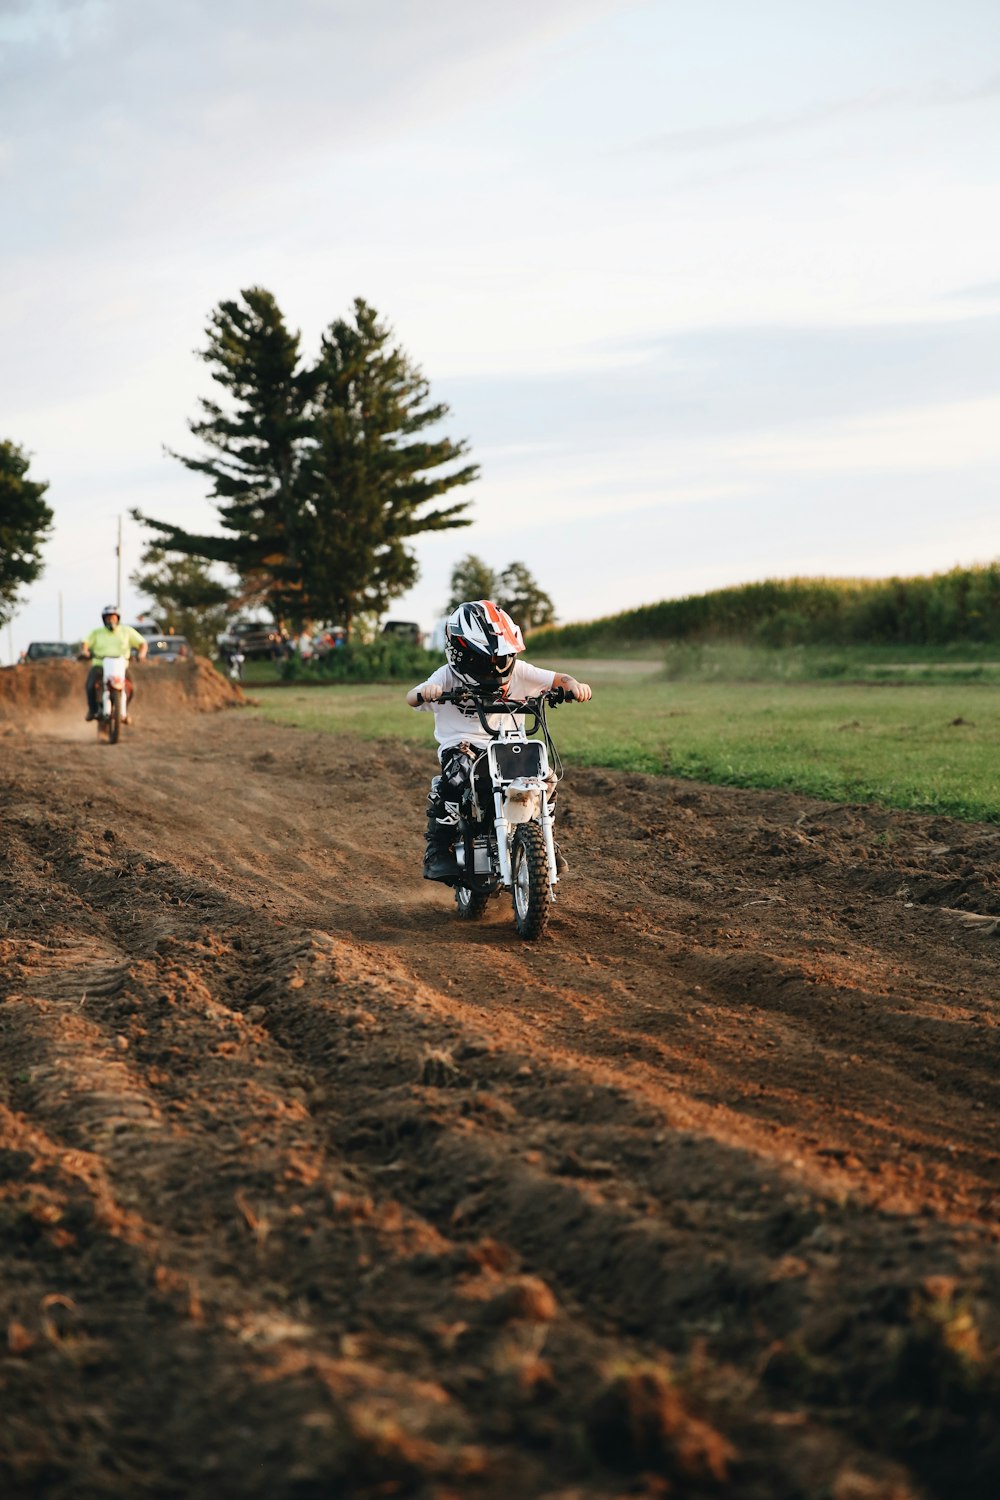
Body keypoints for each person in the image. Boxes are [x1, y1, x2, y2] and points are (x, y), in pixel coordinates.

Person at [406, 599, 592, 882]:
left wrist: (573, 687)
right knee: (456, 779)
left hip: (507, 744)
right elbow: (412, 697)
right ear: (459, 654)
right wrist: (427, 692)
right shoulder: (446, 676)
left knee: (548, 780)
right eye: (485, 661)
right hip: (464, 746)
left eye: (502, 658)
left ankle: (545, 838)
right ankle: (438, 849)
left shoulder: (520, 672)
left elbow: (560, 678)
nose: (495, 667)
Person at [80, 605, 148, 722]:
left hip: (120, 666)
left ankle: (124, 710)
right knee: (90, 685)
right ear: (104, 619)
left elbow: (142, 643)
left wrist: (142, 654)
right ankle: (92, 709)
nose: (111, 620)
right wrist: (85, 652)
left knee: (132, 688)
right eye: (108, 618)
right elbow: (85, 643)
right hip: (100, 665)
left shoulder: (126, 631)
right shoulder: (97, 632)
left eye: (113, 618)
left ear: (118, 618)